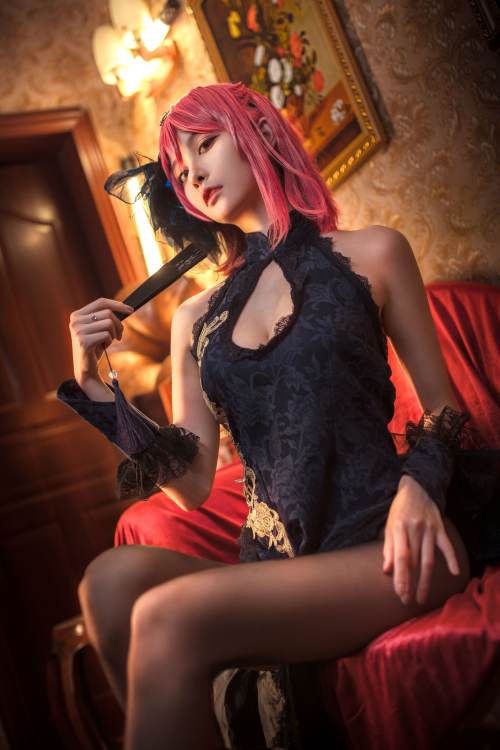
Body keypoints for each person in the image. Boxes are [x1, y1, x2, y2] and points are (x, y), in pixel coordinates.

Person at [57, 81, 491, 750]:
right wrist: (92, 387)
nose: (193, 174)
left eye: (205, 145)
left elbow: (443, 408)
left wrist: (419, 488)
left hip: (388, 544)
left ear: (258, 132)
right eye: (178, 170)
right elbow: (190, 482)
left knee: (168, 617)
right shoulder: (194, 318)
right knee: (109, 585)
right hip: (278, 564)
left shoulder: (375, 252)